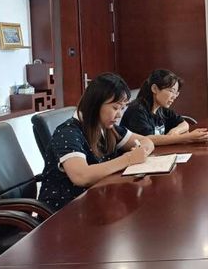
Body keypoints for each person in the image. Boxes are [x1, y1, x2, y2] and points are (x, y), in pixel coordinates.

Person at [38, 73, 154, 211]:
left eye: (122, 108)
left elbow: (147, 141)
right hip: (66, 211)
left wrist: (142, 151)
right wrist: (129, 159)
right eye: (115, 108)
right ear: (96, 104)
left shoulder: (107, 128)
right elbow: (81, 176)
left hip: (97, 201)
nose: (119, 115)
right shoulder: (68, 132)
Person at [120, 69, 208, 144]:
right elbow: (148, 139)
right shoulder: (137, 110)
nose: (174, 97)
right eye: (171, 91)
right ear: (155, 89)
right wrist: (188, 137)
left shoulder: (161, 109)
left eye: (176, 93)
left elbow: (184, 124)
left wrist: (174, 132)